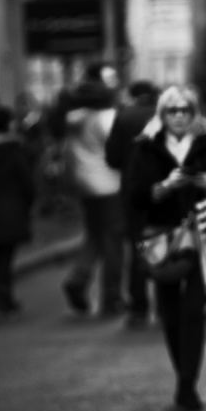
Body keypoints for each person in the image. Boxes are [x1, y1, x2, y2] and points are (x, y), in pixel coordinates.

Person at [127, 85, 206, 411]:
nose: (178, 116)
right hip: (163, 237)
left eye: (185, 110)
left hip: (201, 236)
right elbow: (135, 196)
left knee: (193, 312)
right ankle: (181, 374)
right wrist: (165, 186)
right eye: (172, 110)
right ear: (162, 114)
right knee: (170, 313)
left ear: (194, 113)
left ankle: (187, 384)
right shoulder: (146, 147)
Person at [57, 63, 125, 317]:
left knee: (95, 235)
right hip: (110, 184)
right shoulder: (106, 118)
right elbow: (117, 149)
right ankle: (112, 296)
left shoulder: (74, 119)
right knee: (113, 240)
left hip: (84, 184)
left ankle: (77, 278)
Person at [105, 80, 160, 327]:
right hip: (163, 190)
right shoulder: (166, 114)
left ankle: (139, 306)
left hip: (134, 190)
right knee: (164, 240)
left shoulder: (124, 117)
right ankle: (165, 303)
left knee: (137, 245)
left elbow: (112, 156)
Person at [0, 105, 35, 315]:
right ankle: (3, 301)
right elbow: (27, 183)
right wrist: (27, 204)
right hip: (10, 209)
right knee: (4, 258)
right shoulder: (16, 150)